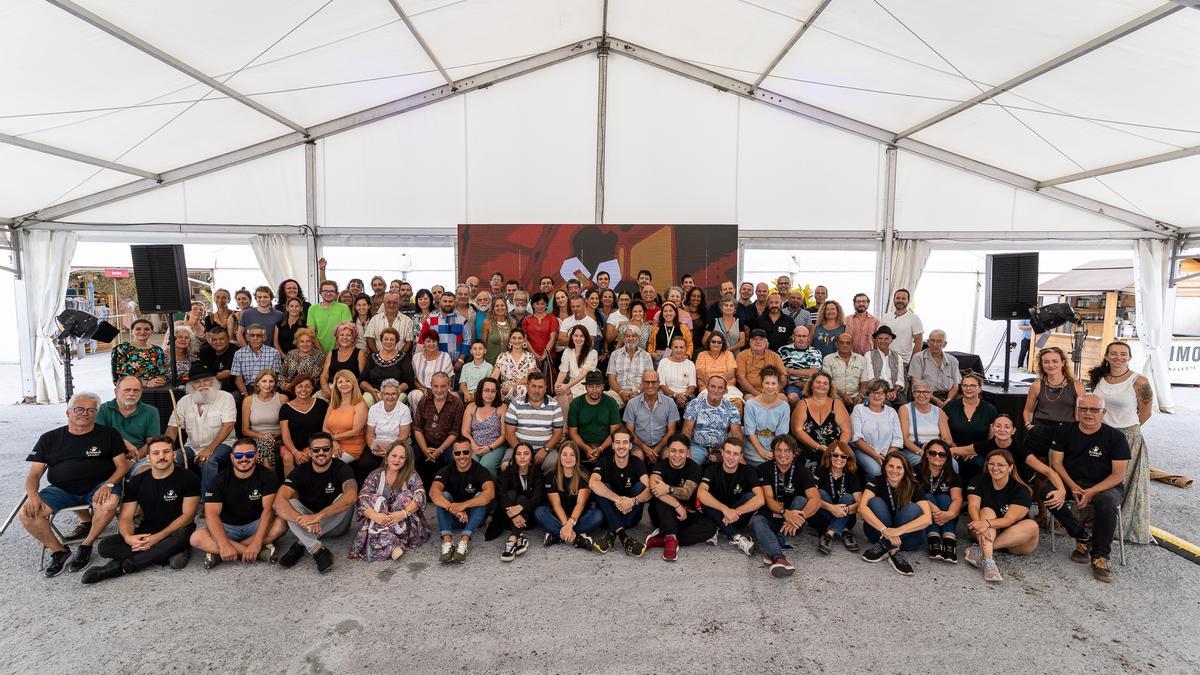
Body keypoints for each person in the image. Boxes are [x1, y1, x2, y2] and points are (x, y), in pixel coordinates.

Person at [21, 393, 128, 577]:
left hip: (99, 486)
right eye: (78, 409)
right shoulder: (49, 438)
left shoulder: (109, 434)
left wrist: (109, 485)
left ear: (96, 413)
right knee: (27, 514)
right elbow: (34, 474)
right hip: (61, 490)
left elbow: (122, 466)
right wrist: (33, 495)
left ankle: (86, 544)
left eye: (90, 410)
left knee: (109, 504)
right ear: (68, 412)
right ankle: (60, 552)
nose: (84, 413)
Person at [80, 436, 199, 584]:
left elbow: (188, 516)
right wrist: (129, 538)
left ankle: (120, 567)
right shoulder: (137, 481)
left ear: (174, 455)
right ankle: (165, 553)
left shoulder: (189, 478)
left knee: (181, 537)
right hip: (148, 528)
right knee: (105, 546)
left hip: (177, 529)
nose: (161, 456)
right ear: (148, 458)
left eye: (166, 452)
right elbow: (126, 517)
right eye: (156, 453)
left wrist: (158, 537)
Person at [1048, 394, 1130, 583]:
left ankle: (1100, 556)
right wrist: (1072, 486)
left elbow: (1118, 475)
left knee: (1107, 502)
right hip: (1072, 481)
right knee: (1047, 492)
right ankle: (1082, 536)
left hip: (1105, 485)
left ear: (1103, 413)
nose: (1088, 413)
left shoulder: (1116, 438)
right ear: (1077, 411)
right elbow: (1056, 463)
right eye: (1083, 409)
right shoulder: (1064, 431)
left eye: (1094, 410)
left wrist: (1092, 491)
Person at [1088, 341, 1154, 544]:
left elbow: (1146, 413)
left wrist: (1127, 431)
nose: (1118, 357)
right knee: (1098, 477)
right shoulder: (1098, 378)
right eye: (1114, 354)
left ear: (1130, 357)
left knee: (1123, 482)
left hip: (1126, 436)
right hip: (1099, 434)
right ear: (1106, 356)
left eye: (1123, 354)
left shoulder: (1139, 381)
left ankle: (1121, 527)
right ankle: (1096, 518)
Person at [189, 437, 286, 570]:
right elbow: (211, 515)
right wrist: (224, 544)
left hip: (255, 525)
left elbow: (268, 511)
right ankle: (255, 552)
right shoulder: (219, 480)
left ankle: (222, 553)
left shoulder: (268, 476)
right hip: (227, 528)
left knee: (281, 523)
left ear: (256, 456)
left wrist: (257, 542)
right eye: (239, 455)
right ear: (232, 457)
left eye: (249, 455)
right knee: (196, 538)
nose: (243, 459)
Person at [274, 432, 358, 573]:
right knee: (290, 502)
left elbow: (351, 496)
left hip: (336, 525)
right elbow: (278, 503)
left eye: (325, 449)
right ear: (309, 451)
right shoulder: (300, 471)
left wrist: (317, 517)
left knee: (345, 499)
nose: (321, 453)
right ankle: (316, 549)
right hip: (308, 524)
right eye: (316, 449)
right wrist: (305, 521)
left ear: (331, 450)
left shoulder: (342, 468)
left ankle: (301, 543)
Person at [750, 435, 822, 576]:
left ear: (794, 453)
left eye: (787, 450)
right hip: (772, 514)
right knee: (757, 520)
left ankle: (771, 549)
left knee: (801, 500)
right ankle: (779, 557)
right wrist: (785, 512)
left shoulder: (803, 471)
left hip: (794, 521)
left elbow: (816, 499)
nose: (782, 454)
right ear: (773, 452)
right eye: (779, 450)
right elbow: (769, 498)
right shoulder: (764, 468)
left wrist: (800, 517)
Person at [964, 449, 1039, 582]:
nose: (995, 468)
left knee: (1032, 525)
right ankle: (989, 563)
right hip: (985, 532)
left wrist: (985, 524)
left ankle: (981, 550)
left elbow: (1009, 520)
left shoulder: (1021, 489)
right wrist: (979, 524)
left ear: (1010, 467)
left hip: (1017, 540)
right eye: (991, 464)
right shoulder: (978, 481)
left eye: (1001, 465)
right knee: (987, 510)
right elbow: (973, 506)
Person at [349, 441, 430, 561]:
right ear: (387, 457)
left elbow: (421, 495)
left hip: (404, 523)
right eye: (394, 455)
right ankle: (392, 545)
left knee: (406, 496)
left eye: (402, 457)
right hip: (380, 520)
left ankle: (386, 543)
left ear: (406, 460)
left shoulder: (411, 474)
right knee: (375, 499)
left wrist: (403, 513)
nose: (397, 460)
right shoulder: (375, 475)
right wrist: (376, 516)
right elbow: (362, 498)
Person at [858, 451, 933, 575]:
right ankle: (893, 551)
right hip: (878, 533)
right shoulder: (876, 480)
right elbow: (861, 508)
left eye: (899, 467)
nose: (894, 471)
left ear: (905, 469)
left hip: (908, 539)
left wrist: (898, 531)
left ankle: (885, 546)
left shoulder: (914, 485)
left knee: (914, 509)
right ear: (885, 467)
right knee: (875, 502)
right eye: (890, 466)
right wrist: (884, 530)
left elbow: (927, 518)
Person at [646, 434, 718, 562]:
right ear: (667, 451)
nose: (677, 455)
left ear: (688, 452)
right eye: (673, 451)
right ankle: (670, 537)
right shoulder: (660, 466)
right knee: (660, 497)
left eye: (681, 451)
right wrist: (677, 505)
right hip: (662, 514)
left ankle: (667, 539)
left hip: (685, 514)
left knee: (710, 527)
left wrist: (668, 489)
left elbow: (686, 493)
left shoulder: (694, 468)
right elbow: (654, 487)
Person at [166, 364, 237, 492]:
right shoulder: (184, 401)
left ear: (213, 381)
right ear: (190, 385)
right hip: (192, 447)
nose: (203, 384)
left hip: (223, 444)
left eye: (206, 380)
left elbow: (228, 426)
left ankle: (207, 502)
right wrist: (168, 450)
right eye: (197, 382)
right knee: (169, 459)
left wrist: (210, 449)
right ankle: (174, 496)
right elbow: (172, 428)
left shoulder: (226, 397)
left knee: (208, 460)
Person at [430, 440, 496, 564]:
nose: (462, 456)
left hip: (474, 519)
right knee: (443, 495)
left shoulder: (481, 470)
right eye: (458, 453)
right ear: (453, 454)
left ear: (471, 453)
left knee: (481, 495)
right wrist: (452, 508)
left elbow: (490, 493)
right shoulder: (446, 470)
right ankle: (447, 542)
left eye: (465, 452)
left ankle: (464, 541)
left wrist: (463, 505)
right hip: (454, 518)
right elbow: (433, 493)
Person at [587, 428, 651, 556]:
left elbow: (650, 490)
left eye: (625, 442)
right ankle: (623, 537)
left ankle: (612, 533)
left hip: (631, 516)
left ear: (630, 445)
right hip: (609, 512)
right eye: (618, 442)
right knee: (602, 487)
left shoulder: (637, 462)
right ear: (612, 445)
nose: (621, 446)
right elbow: (592, 483)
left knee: (641, 487)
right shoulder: (604, 461)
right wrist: (618, 499)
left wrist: (633, 501)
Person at [697, 438, 764, 556]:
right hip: (715, 514)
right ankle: (736, 537)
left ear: (741, 456)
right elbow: (701, 493)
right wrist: (725, 510)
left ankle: (719, 528)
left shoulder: (748, 471)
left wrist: (734, 512)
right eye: (728, 452)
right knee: (705, 498)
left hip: (737, 519)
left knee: (751, 496)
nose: (731, 457)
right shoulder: (711, 470)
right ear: (722, 452)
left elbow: (760, 499)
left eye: (736, 454)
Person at [534, 442, 603, 551]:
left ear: (577, 457)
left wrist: (570, 524)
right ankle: (578, 537)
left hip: (578, 516)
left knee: (598, 515)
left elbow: (580, 504)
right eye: (564, 454)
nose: (568, 458)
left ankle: (556, 534)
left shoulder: (584, 475)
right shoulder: (551, 475)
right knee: (540, 512)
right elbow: (556, 505)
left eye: (572, 455)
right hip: (557, 515)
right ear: (560, 456)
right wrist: (566, 524)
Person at [487, 442, 543, 562]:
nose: (522, 457)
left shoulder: (537, 473)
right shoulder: (508, 472)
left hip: (527, 519)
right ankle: (519, 538)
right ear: (514, 457)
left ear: (531, 457)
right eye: (518, 454)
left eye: (526, 454)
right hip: (509, 517)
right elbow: (500, 495)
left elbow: (537, 498)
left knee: (522, 498)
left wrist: (521, 507)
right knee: (511, 493)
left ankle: (512, 539)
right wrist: (514, 514)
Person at [412, 372, 466, 488]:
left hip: (446, 444)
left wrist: (440, 450)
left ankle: (451, 490)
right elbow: (417, 428)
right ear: (431, 386)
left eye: (443, 386)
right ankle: (415, 489)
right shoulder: (424, 402)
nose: (439, 390)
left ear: (449, 386)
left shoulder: (457, 404)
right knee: (409, 455)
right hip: (425, 443)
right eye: (436, 386)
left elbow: (455, 432)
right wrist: (425, 449)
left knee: (454, 457)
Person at [96, 376, 160, 474]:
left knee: (147, 473)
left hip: (140, 457)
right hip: (108, 457)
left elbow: (152, 443)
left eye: (136, 390)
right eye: (127, 390)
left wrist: (134, 459)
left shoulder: (151, 411)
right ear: (116, 391)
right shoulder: (102, 409)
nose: (131, 394)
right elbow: (98, 437)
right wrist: (123, 442)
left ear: (141, 392)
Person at [504, 372, 564, 473]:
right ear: (527, 386)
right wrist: (523, 453)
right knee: (506, 466)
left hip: (545, 449)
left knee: (553, 464)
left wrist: (545, 450)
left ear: (545, 388)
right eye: (533, 386)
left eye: (540, 387)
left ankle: (545, 488)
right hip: (518, 447)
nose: (537, 390)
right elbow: (509, 433)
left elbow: (558, 432)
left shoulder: (554, 405)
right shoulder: (516, 403)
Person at [945, 373, 999, 484]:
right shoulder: (951, 406)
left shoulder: (990, 410)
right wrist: (954, 448)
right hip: (953, 449)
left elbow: (992, 438)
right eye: (965, 386)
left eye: (972, 386)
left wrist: (977, 450)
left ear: (980, 388)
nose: (968, 388)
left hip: (978, 451)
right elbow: (943, 430)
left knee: (977, 463)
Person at [916, 439, 963, 563]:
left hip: (946, 516)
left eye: (942, 454)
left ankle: (949, 539)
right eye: (933, 453)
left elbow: (957, 498)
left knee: (945, 498)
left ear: (947, 457)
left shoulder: (953, 475)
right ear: (926, 454)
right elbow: (914, 495)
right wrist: (935, 510)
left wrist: (950, 514)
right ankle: (934, 538)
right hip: (926, 513)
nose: (937, 457)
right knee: (928, 497)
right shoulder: (916, 470)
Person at [811, 441, 862, 554]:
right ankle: (844, 530)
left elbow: (860, 503)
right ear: (830, 455)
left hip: (846, 516)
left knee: (848, 498)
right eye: (835, 455)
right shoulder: (820, 470)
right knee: (820, 493)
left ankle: (829, 534)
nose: (839, 458)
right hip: (822, 516)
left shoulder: (852, 475)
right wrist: (831, 508)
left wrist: (846, 510)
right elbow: (811, 496)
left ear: (848, 458)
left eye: (843, 456)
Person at [791, 372, 852, 464]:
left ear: (829, 387)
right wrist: (818, 446)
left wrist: (839, 449)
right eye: (818, 382)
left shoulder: (837, 404)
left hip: (834, 452)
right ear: (811, 385)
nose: (821, 385)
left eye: (825, 383)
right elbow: (797, 430)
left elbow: (846, 431)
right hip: (808, 450)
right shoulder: (803, 404)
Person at [681, 376, 743, 465]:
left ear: (725, 391)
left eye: (720, 388)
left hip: (721, 450)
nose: (716, 390)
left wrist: (739, 455)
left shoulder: (731, 408)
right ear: (707, 387)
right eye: (713, 386)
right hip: (697, 447)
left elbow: (737, 434)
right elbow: (686, 430)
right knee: (687, 465)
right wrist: (687, 451)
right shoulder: (695, 403)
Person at [622, 370, 680, 464]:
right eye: (647, 382)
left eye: (653, 382)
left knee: (669, 455)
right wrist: (645, 449)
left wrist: (657, 449)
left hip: (662, 444)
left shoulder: (669, 402)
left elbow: (671, 431)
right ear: (642, 383)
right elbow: (630, 431)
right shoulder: (632, 403)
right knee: (637, 457)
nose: (650, 385)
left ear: (659, 383)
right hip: (639, 445)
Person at [851, 379, 903, 479]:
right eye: (873, 393)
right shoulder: (859, 409)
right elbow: (857, 438)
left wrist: (888, 457)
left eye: (880, 393)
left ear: (885, 395)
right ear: (868, 394)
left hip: (887, 453)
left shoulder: (891, 412)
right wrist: (875, 455)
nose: (876, 396)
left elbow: (897, 439)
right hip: (864, 451)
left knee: (895, 468)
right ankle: (871, 494)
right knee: (876, 471)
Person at [323, 369, 370, 482]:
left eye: (347, 381)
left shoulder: (360, 405)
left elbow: (356, 431)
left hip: (351, 448)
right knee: (314, 461)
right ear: (336, 385)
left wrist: (333, 438)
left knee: (325, 463)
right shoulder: (333, 403)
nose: (343, 384)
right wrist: (334, 442)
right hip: (333, 445)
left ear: (353, 383)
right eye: (340, 382)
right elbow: (325, 427)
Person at [279, 374, 329, 477]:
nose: (303, 389)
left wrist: (311, 447)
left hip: (314, 444)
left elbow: (325, 429)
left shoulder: (321, 404)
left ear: (312, 388)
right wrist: (295, 452)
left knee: (311, 456)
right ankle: (290, 489)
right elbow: (285, 436)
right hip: (291, 445)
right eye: (300, 386)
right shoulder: (285, 408)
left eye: (307, 386)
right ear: (294, 388)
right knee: (288, 458)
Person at [742, 367, 790, 465]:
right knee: (763, 463)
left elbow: (781, 434)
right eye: (767, 383)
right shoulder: (751, 404)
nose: (770, 387)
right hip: (754, 444)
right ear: (762, 383)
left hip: (774, 444)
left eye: (773, 383)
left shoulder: (784, 406)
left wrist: (773, 452)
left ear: (778, 385)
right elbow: (750, 432)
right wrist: (762, 453)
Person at [461, 377, 507, 477]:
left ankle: (490, 491)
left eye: (493, 391)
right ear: (480, 391)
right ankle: (472, 491)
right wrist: (474, 445)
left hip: (495, 446)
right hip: (474, 445)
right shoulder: (471, 407)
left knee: (486, 466)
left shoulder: (502, 407)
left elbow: (504, 435)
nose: (490, 394)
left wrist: (489, 448)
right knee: (470, 464)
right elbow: (465, 431)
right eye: (486, 390)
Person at [241, 369, 287, 470]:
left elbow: (287, 427)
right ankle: (270, 477)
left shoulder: (282, 399)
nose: (267, 385)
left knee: (266, 443)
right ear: (257, 383)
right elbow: (245, 430)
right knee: (264, 444)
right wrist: (261, 436)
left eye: (271, 381)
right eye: (264, 381)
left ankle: (266, 478)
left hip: (277, 438)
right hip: (255, 438)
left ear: (275, 384)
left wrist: (272, 437)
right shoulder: (248, 400)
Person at [898, 381, 952, 466]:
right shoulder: (905, 409)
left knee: (953, 464)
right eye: (917, 392)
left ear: (931, 394)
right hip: (913, 450)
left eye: (926, 392)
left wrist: (932, 448)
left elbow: (948, 440)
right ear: (913, 394)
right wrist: (922, 452)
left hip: (935, 450)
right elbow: (904, 439)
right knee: (923, 462)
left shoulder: (939, 411)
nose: (921, 395)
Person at [361, 328, 416, 403]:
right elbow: (362, 380)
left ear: (396, 341)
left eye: (392, 340)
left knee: (393, 402)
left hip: (396, 392)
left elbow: (409, 381)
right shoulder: (373, 357)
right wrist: (371, 390)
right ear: (381, 340)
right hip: (375, 391)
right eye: (386, 339)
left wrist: (395, 391)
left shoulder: (403, 357)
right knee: (366, 399)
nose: (388, 342)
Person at [365, 379, 412, 465]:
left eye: (393, 394)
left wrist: (389, 450)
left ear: (398, 395)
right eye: (387, 394)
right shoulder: (374, 409)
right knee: (365, 463)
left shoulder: (404, 410)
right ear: (382, 395)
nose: (390, 397)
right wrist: (374, 449)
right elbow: (370, 435)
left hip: (398, 445)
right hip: (378, 446)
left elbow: (403, 436)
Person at [420, 290, 470, 371]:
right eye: (445, 301)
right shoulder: (430, 320)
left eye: (450, 301)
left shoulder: (462, 320)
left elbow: (467, 341)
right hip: (435, 362)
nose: (447, 304)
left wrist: (461, 360)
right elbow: (423, 341)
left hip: (456, 364)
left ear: (455, 303)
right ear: (440, 302)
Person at [908, 330, 960, 405]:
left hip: (948, 396)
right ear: (928, 342)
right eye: (932, 341)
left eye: (939, 341)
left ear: (944, 344)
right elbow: (916, 385)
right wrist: (937, 401)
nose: (935, 344)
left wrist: (948, 401)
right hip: (926, 395)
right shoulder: (918, 358)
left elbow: (955, 386)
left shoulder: (953, 360)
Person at [608, 324, 655, 407]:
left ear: (638, 338)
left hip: (640, 393)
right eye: (627, 336)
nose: (630, 338)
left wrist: (637, 392)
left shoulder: (646, 355)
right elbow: (611, 379)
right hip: (618, 393)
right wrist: (621, 392)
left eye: (634, 336)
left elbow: (649, 379)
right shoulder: (615, 354)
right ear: (623, 338)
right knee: (605, 399)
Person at [111, 318, 168, 387]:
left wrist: (159, 381)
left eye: (146, 329)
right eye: (138, 329)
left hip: (154, 389)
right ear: (132, 331)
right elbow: (119, 376)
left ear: (152, 332)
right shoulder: (122, 349)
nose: (142, 332)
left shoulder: (157, 350)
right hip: (131, 390)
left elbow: (162, 372)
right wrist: (146, 383)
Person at [230, 325, 282, 397]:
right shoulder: (239, 354)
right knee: (233, 397)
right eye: (252, 335)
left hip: (267, 387)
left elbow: (275, 376)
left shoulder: (274, 353)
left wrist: (267, 392)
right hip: (248, 388)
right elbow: (238, 379)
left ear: (264, 338)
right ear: (247, 338)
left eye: (259, 335)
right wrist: (245, 395)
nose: (255, 338)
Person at [735, 329, 786, 400]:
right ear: (750, 341)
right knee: (750, 399)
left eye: (761, 339)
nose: (758, 342)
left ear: (766, 342)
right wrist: (759, 395)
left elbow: (783, 377)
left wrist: (774, 392)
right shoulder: (742, 355)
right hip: (749, 392)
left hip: (773, 390)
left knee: (783, 398)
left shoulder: (774, 356)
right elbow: (741, 378)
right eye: (755, 339)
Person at [555, 325, 596, 412]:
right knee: (555, 401)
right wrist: (557, 385)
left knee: (562, 400)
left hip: (586, 386)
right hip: (570, 386)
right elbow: (563, 371)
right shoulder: (568, 351)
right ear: (572, 337)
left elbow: (583, 374)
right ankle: (563, 423)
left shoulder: (592, 353)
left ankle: (566, 424)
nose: (578, 339)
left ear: (586, 338)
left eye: (581, 336)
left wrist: (567, 387)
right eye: (576, 335)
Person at [778, 324, 823, 405]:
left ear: (808, 337)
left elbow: (812, 373)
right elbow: (778, 370)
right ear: (793, 337)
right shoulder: (783, 350)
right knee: (792, 398)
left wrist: (790, 371)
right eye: (798, 336)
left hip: (811, 386)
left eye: (804, 336)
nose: (801, 339)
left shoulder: (816, 352)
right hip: (792, 385)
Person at [861, 326, 906, 405]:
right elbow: (871, 378)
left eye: (886, 339)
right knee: (886, 406)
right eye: (880, 338)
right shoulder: (869, 355)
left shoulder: (898, 357)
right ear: (876, 340)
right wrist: (884, 392)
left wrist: (895, 392)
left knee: (905, 406)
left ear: (891, 340)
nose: (883, 341)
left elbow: (900, 380)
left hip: (894, 391)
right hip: (876, 390)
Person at [320, 323, 366, 400]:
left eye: (348, 335)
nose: (345, 337)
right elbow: (324, 374)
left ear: (353, 338)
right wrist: (325, 388)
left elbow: (363, 377)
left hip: (352, 388)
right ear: (337, 338)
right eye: (341, 335)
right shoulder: (332, 353)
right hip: (332, 387)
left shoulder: (360, 353)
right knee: (319, 402)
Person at [409, 333, 455, 410]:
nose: (431, 344)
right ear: (423, 343)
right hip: (423, 389)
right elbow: (414, 379)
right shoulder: (416, 357)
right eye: (428, 341)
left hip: (441, 389)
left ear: (438, 343)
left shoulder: (445, 356)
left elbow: (449, 378)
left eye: (434, 341)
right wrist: (422, 389)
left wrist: (437, 390)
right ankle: (419, 420)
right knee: (414, 395)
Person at [823, 333, 867, 411]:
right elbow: (828, 382)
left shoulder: (861, 359)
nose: (844, 345)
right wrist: (843, 396)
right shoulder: (828, 359)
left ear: (852, 344)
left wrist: (860, 395)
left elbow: (864, 381)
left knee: (864, 410)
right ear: (836, 344)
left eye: (848, 343)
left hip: (856, 396)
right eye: (841, 342)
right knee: (835, 410)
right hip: (836, 396)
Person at [880, 288, 923, 364]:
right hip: (884, 360)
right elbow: (878, 338)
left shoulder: (914, 318)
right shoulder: (886, 317)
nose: (900, 300)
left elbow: (919, 341)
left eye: (903, 298)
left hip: (904, 361)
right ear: (894, 300)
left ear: (908, 301)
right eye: (898, 298)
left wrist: (913, 362)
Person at [521, 292, 560, 377]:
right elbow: (524, 339)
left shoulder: (552, 319)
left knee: (547, 382)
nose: (540, 306)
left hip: (549, 357)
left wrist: (544, 355)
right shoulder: (526, 320)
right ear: (533, 304)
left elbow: (553, 339)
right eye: (537, 304)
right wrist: (534, 355)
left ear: (546, 305)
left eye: (543, 304)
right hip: (530, 356)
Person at [308, 280, 352, 353]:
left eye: (332, 291)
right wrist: (320, 352)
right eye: (325, 291)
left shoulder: (343, 308)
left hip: (340, 351)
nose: (328, 293)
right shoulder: (312, 309)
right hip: (318, 351)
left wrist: (335, 353)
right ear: (320, 293)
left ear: (336, 294)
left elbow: (347, 331)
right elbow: (311, 333)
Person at [657, 335, 697, 409]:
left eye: (681, 347)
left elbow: (692, 386)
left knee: (691, 406)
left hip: (686, 396)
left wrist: (683, 396)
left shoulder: (690, 364)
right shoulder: (663, 362)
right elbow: (661, 384)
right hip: (667, 395)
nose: (678, 350)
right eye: (676, 347)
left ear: (685, 349)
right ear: (671, 348)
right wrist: (675, 395)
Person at [197, 325, 238, 393]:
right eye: (214, 340)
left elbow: (227, 373)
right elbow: (200, 370)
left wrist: (206, 379)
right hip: (206, 388)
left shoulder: (235, 351)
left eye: (221, 339)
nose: (218, 342)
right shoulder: (204, 350)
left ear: (228, 339)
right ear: (209, 340)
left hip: (229, 390)